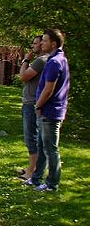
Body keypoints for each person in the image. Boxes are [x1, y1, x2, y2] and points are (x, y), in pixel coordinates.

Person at [24, 29, 70, 192]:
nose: (41, 43)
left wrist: (38, 105)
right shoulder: (57, 59)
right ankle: (36, 179)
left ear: (54, 43)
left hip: (50, 111)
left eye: (44, 41)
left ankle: (52, 184)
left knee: (51, 149)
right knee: (42, 146)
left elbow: (48, 89)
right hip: (48, 110)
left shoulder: (54, 62)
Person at [18, 35, 48, 180]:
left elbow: (23, 76)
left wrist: (25, 60)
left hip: (32, 103)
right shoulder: (42, 60)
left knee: (31, 137)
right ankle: (32, 167)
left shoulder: (41, 60)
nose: (33, 46)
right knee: (32, 136)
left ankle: (32, 170)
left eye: (35, 43)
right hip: (31, 101)